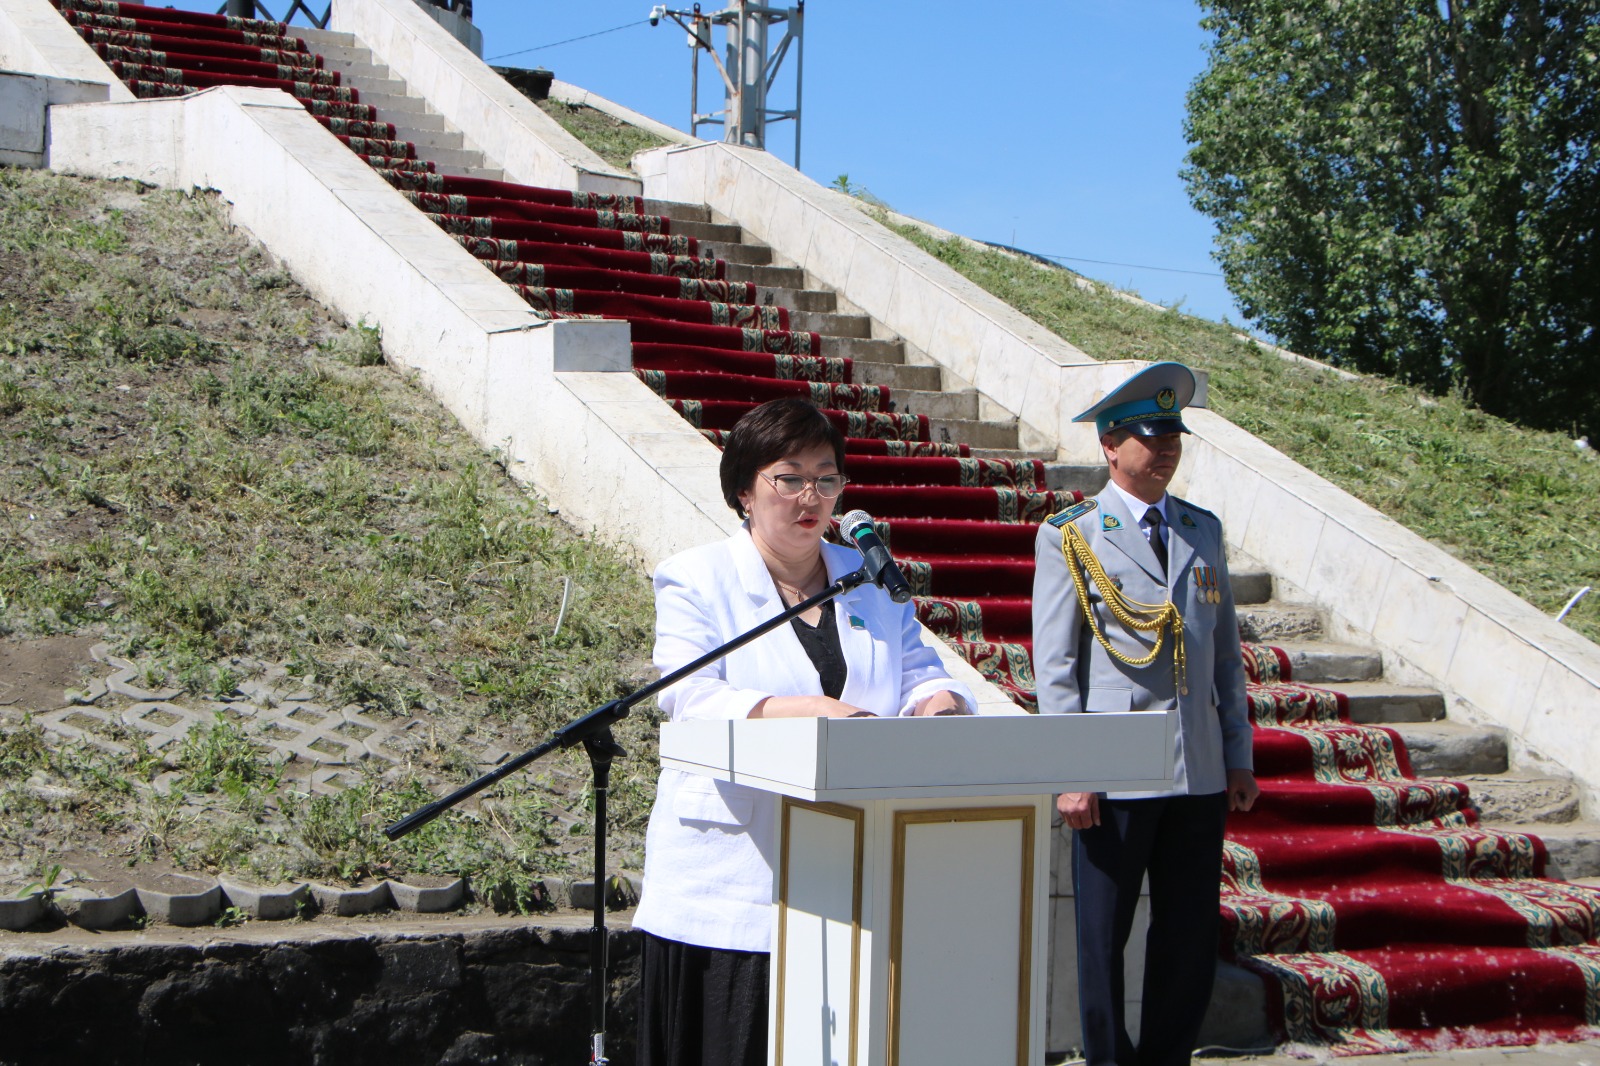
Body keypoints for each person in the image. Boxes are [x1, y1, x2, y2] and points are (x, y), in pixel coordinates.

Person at [634, 397, 976, 1066]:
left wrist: (940, 706)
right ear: (744, 489)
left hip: (853, 870)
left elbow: (922, 674)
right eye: (789, 478)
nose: (810, 497)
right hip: (735, 879)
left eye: (826, 478)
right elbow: (689, 696)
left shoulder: (868, 580)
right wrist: (811, 711)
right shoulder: (697, 578)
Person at [1031, 361, 1259, 1066]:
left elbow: (1224, 659)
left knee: (1188, 935)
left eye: (1172, 438)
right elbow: (1056, 666)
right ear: (1109, 445)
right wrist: (1073, 772)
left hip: (1197, 768)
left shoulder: (1201, 529)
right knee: (1103, 936)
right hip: (1115, 771)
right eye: (1149, 437)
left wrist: (1238, 756)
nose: (1165, 450)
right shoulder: (1072, 534)